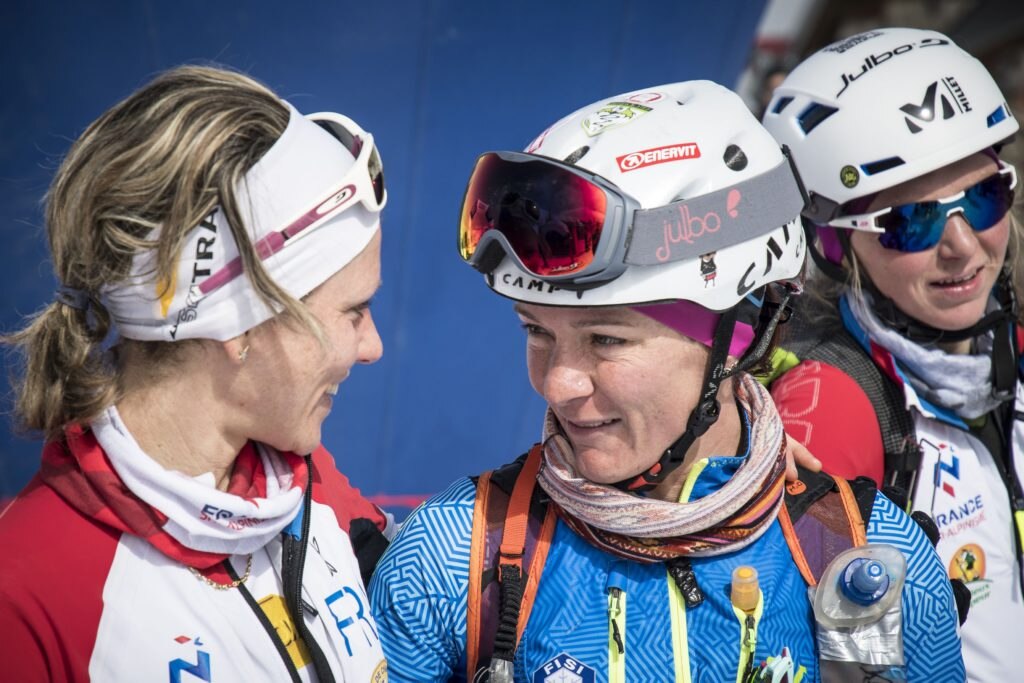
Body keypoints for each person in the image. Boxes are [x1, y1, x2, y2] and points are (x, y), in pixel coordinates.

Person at [370, 81, 964, 682]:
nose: (558, 384)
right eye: (537, 331)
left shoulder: (864, 546)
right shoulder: (451, 555)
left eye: (607, 340)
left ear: (742, 333)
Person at [0, 65, 393, 682]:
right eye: (354, 311)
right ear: (240, 329)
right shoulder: (26, 596)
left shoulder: (298, 485)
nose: (371, 347)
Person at [762, 27, 1022, 682]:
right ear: (830, 244)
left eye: (985, 197)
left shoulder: (1009, 342)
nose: (963, 246)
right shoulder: (832, 411)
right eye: (912, 222)